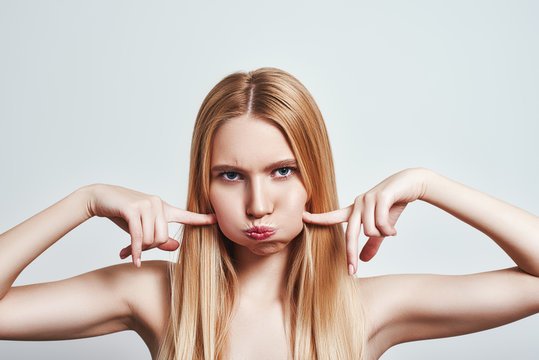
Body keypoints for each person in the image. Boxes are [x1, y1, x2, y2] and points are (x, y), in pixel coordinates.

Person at [0, 67, 538, 360]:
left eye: (282, 171)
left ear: (314, 180)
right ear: (203, 186)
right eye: (231, 175)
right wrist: (86, 200)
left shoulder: (365, 310)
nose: (258, 205)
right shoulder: (158, 296)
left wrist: (427, 184)